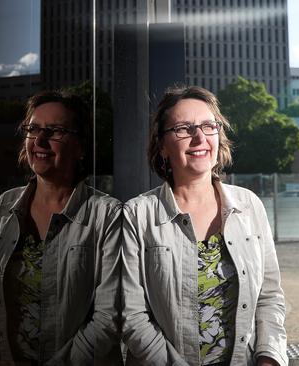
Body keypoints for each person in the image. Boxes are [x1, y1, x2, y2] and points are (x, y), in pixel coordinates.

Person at [121, 86, 287, 366]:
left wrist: (269, 358)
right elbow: (132, 315)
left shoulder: (249, 206)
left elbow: (269, 297)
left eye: (209, 126)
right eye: (184, 129)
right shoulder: (138, 215)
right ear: (162, 145)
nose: (199, 137)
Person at [0, 91, 122, 365]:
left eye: (55, 131)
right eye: (33, 129)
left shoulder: (106, 215)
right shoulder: (4, 207)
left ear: (81, 146)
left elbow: (108, 317)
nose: (39, 140)